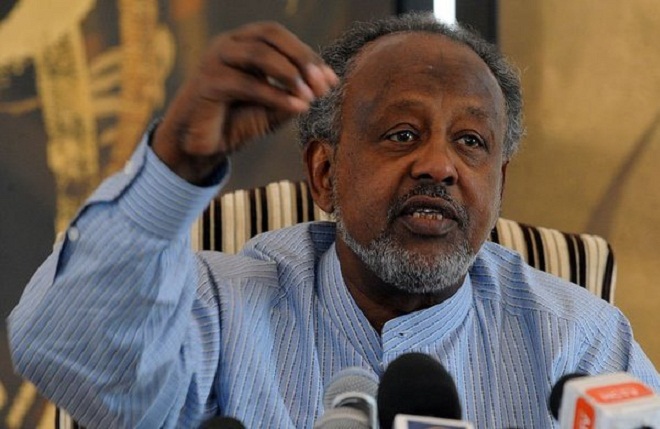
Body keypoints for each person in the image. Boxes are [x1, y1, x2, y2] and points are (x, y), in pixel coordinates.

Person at [8, 12, 660, 429]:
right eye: (402, 134)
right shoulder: (219, 311)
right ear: (324, 173)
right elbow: (68, 353)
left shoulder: (579, 341)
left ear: (499, 186)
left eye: (470, 143)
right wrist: (174, 164)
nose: (439, 165)